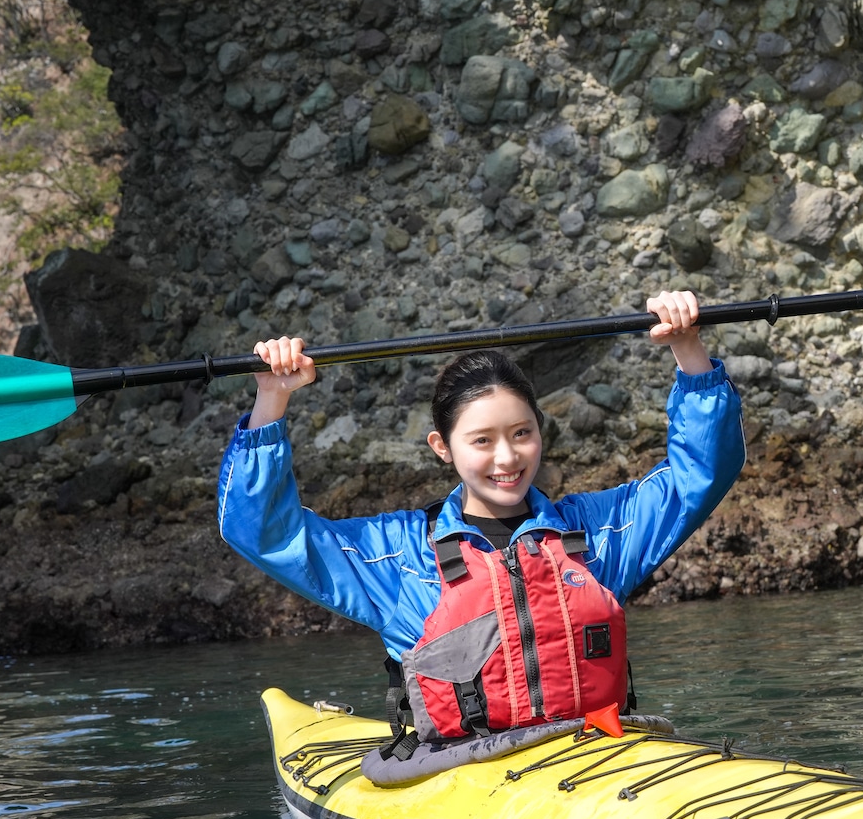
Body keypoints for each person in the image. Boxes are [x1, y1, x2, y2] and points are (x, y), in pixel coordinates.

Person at [217, 290, 744, 754]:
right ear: (442, 447)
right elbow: (265, 533)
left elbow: (699, 475)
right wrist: (272, 399)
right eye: (482, 440)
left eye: (521, 433)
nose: (507, 458)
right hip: (467, 772)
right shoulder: (402, 556)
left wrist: (688, 350)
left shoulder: (597, 536)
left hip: (597, 756)